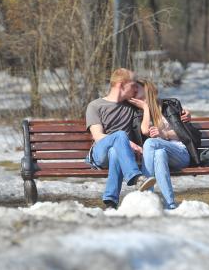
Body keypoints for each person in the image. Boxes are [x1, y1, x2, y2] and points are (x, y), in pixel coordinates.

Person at [85, 68, 156, 210]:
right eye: (133, 84)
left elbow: (159, 104)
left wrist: (182, 112)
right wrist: (127, 142)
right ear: (121, 84)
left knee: (115, 152)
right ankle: (136, 177)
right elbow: (98, 136)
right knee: (120, 135)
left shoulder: (130, 106)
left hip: (118, 154)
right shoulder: (95, 105)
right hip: (99, 153)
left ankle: (110, 201)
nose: (136, 88)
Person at [128, 79, 201, 209]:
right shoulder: (138, 111)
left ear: (146, 90)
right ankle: (170, 204)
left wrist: (165, 134)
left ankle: (146, 196)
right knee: (159, 153)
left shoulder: (171, 105)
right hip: (162, 154)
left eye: (136, 89)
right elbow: (145, 131)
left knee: (151, 143)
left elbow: (186, 133)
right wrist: (145, 108)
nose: (133, 91)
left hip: (181, 152)